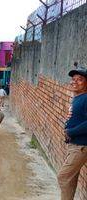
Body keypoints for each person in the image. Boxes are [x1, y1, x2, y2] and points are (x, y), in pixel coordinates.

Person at [57, 67, 87, 200]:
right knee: (71, 179)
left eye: (80, 80)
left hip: (81, 146)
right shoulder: (78, 97)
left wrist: (70, 131)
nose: (75, 82)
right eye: (73, 79)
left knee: (63, 177)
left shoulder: (86, 98)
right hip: (74, 144)